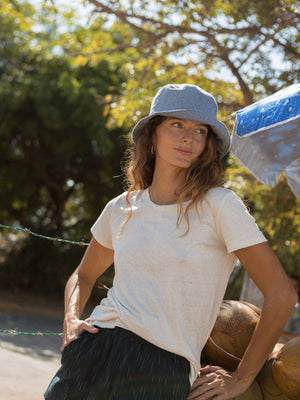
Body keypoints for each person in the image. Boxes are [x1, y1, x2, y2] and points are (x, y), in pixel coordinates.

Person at [44, 84, 298, 400]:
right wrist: (70, 319)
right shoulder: (121, 207)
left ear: (208, 144)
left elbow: (281, 294)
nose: (188, 137)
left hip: (163, 368)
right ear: (153, 135)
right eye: (176, 125)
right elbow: (83, 275)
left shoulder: (220, 205)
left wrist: (241, 377)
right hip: (95, 347)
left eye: (200, 130)